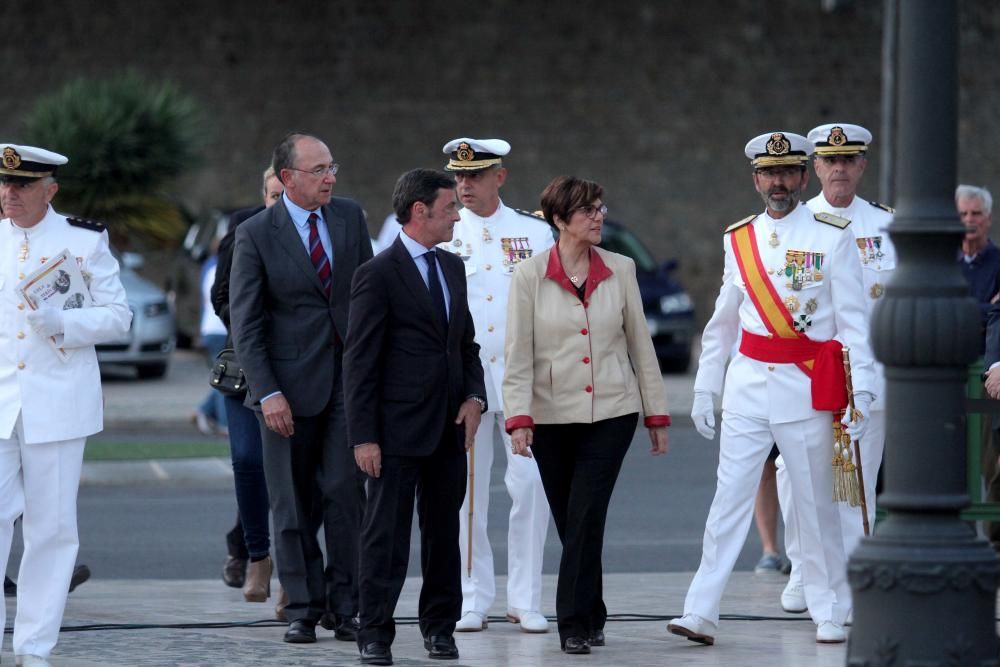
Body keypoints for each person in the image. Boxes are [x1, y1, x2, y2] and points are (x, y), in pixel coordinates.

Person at [667, 131, 874, 646]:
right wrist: (704, 386)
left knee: (814, 505)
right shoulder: (738, 238)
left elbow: (854, 324)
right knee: (727, 501)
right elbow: (723, 320)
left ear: (804, 177)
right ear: (756, 179)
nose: (778, 183)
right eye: (769, 173)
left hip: (808, 388)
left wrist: (862, 389)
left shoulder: (833, 234)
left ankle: (830, 609)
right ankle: (701, 610)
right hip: (748, 387)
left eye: (788, 173)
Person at [503, 175, 670, 655]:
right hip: (551, 416)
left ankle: (572, 622)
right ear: (559, 220)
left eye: (600, 207)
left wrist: (656, 415)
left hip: (613, 412)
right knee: (574, 522)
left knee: (586, 512)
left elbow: (641, 344)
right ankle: (592, 609)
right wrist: (519, 418)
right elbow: (518, 355)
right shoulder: (529, 275)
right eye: (587, 210)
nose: (598, 217)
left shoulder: (621, 269)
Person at [230, 133, 372, 644]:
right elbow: (246, 325)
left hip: (345, 383)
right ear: (288, 178)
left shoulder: (350, 217)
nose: (330, 177)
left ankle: (347, 606)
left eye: (333, 167)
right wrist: (267, 393)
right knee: (290, 504)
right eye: (319, 170)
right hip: (284, 392)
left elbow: (366, 295)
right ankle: (303, 608)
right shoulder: (255, 234)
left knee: (345, 494)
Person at [344, 168, 486, 665]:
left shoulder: (452, 268)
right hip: (394, 433)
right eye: (449, 208)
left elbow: (465, 346)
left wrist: (475, 397)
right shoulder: (377, 274)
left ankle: (439, 628)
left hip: (449, 431)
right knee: (385, 538)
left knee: (444, 534)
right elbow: (359, 363)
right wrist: (364, 437)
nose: (457, 215)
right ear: (420, 211)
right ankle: (375, 632)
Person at [0, 143, 131, 667]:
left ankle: (34, 647)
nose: (9, 194)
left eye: (22, 185)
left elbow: (119, 317)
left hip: (56, 402)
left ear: (49, 190)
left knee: (51, 529)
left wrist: (67, 324)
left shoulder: (82, 240)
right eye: (5, 184)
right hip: (0, 399)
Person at [774, 123, 896, 614]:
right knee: (793, 473)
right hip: (808, 372)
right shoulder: (797, 226)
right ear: (815, 168)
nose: (840, 169)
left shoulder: (888, 225)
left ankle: (852, 575)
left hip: (870, 374)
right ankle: (805, 568)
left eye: (849, 160)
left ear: (862, 165)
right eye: (830, 161)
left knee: (858, 479)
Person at [437, 137, 554, 635]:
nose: (465, 184)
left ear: (499, 177)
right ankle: (473, 596)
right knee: (467, 493)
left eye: (476, 175)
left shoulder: (534, 232)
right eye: (459, 176)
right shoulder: (443, 231)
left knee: (529, 489)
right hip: (465, 380)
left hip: (522, 376)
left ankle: (525, 598)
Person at [211, 166, 285, 611]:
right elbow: (221, 295)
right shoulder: (242, 226)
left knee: (292, 472)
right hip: (244, 366)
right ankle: (257, 553)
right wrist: (252, 330)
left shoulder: (328, 227)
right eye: (272, 195)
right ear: (264, 194)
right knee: (247, 459)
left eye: (285, 193)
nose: (279, 202)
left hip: (301, 367)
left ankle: (292, 572)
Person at [192, 241, 229, 436]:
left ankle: (204, 410)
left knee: (222, 375)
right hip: (219, 329)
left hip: (212, 328)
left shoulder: (209, 267)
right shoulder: (219, 268)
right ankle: (222, 421)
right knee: (225, 377)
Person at [956, 185, 999, 331]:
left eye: (976, 213)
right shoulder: (943, 263)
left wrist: (956, 308)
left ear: (989, 219)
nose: (969, 220)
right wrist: (988, 309)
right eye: (963, 214)